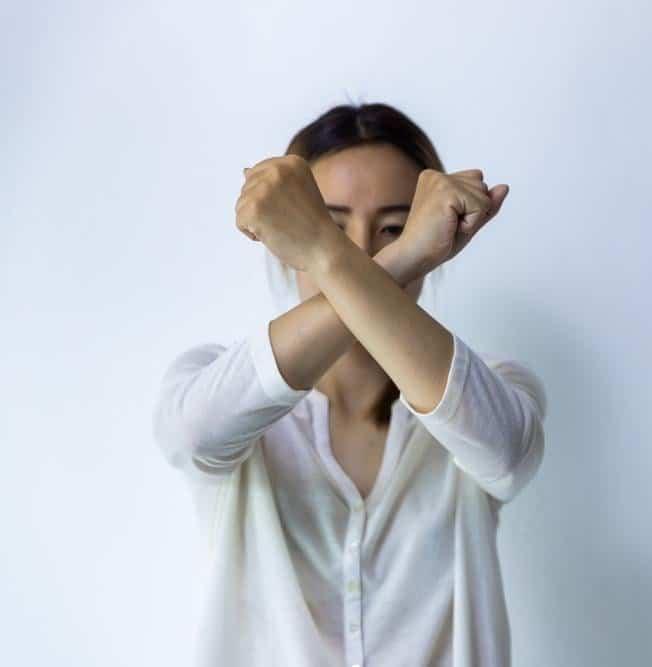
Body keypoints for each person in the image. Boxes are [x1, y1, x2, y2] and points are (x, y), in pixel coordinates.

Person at [151, 101, 547, 667]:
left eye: (393, 229)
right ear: (282, 243)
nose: (357, 251)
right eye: (329, 227)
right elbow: (192, 435)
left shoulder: (494, 385)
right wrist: (402, 256)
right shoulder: (217, 383)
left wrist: (325, 252)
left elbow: (506, 451)